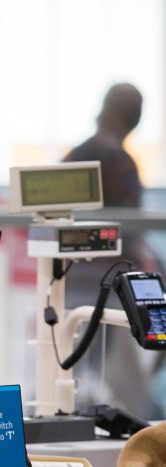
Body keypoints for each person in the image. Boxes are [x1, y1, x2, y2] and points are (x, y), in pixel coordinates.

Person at [61, 82, 163, 421]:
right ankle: (146, 442)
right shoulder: (121, 162)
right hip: (114, 286)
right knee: (128, 382)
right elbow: (130, 232)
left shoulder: (74, 156)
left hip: (71, 279)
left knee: (63, 369)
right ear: (133, 116)